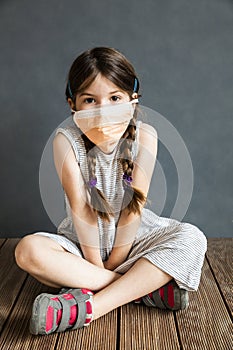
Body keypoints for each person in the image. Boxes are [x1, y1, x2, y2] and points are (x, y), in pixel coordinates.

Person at [15, 47, 207, 335]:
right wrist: (96, 263)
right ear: (73, 105)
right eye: (90, 100)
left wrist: (116, 260)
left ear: (132, 99)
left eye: (115, 98)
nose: (104, 111)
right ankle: (141, 288)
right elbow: (81, 207)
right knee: (28, 251)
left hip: (134, 242)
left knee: (192, 238)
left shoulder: (145, 136)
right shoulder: (65, 141)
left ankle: (91, 307)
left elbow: (134, 208)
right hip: (82, 246)